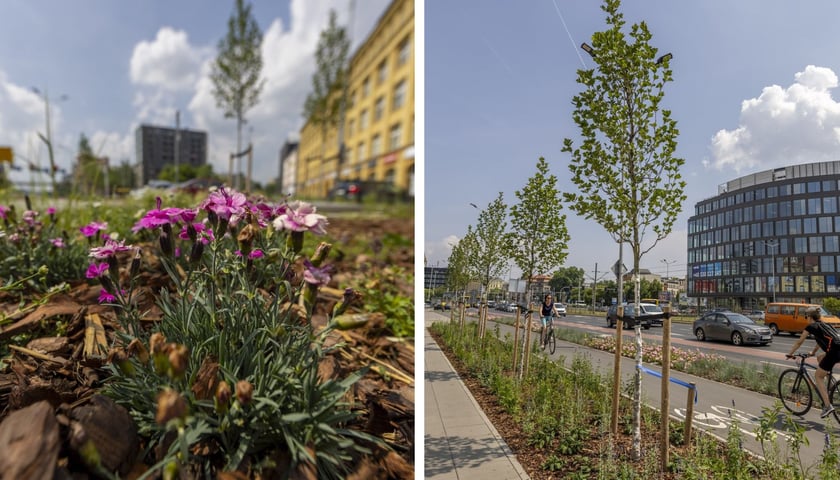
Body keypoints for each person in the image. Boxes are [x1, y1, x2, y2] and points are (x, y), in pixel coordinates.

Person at [787, 306, 840, 418]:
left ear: (809, 317)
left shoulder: (811, 326)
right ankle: (830, 384)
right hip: (837, 349)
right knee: (820, 357)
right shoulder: (825, 325)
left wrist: (790, 353)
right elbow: (821, 341)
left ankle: (827, 406)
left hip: (834, 352)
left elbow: (799, 342)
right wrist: (813, 352)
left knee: (818, 376)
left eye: (806, 317)